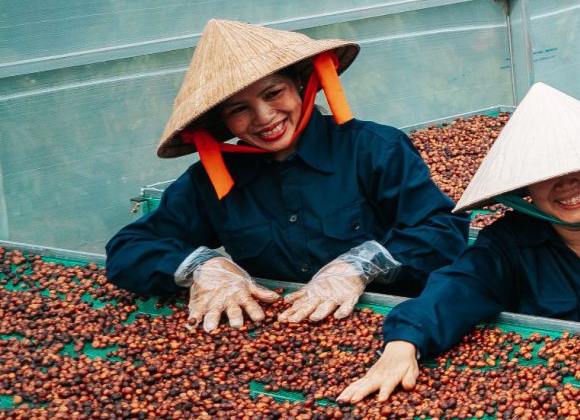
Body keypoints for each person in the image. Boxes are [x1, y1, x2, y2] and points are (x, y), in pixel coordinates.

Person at [335, 85, 580, 403]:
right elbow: (460, 286)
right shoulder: (507, 242)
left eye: (579, 166)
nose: (567, 185)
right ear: (524, 189)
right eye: (546, 176)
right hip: (553, 392)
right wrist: (404, 343)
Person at [105, 19, 464, 331]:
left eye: (273, 93)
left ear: (301, 85)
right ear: (223, 122)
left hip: (395, 327)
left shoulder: (374, 150)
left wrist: (363, 265)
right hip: (274, 331)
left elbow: (442, 232)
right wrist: (201, 266)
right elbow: (128, 248)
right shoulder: (212, 180)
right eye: (239, 109)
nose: (263, 117)